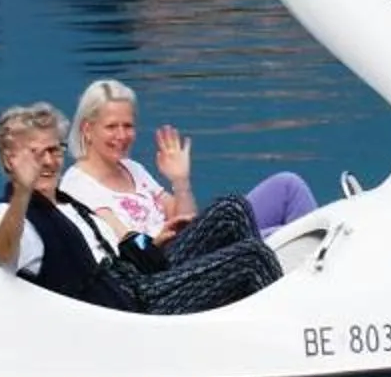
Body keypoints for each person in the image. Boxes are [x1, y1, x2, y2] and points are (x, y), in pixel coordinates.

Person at [0, 103, 279, 315]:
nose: (49, 162)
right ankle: (284, 337)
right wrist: (22, 192)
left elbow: (116, 241)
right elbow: (5, 252)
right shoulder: (11, 213)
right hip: (131, 309)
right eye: (37, 154)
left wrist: (151, 242)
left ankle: (248, 312)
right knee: (253, 257)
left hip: (143, 274)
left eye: (54, 150)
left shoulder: (66, 202)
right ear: (12, 160)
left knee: (231, 209)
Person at [60, 77, 318, 250]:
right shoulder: (78, 184)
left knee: (288, 186)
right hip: (163, 265)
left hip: (189, 246)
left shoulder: (132, 169)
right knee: (283, 234)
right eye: (111, 127)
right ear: (87, 129)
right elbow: (120, 239)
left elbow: (188, 220)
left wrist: (180, 181)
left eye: (127, 126)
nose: (122, 136)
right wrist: (153, 242)